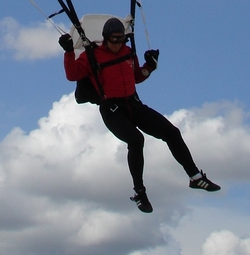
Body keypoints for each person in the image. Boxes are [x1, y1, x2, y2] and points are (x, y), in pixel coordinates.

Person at [58, 18, 220, 213]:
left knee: (172, 132)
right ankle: (139, 192)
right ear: (105, 38)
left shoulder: (128, 52)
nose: (117, 44)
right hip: (112, 110)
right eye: (114, 40)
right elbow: (73, 75)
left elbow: (136, 77)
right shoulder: (92, 56)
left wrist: (149, 67)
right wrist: (69, 52)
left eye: (121, 39)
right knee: (136, 140)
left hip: (134, 105)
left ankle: (195, 177)